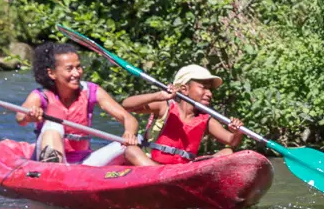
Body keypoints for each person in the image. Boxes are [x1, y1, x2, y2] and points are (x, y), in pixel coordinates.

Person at [16, 41, 150, 166]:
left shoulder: (91, 91)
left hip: (84, 162)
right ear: (52, 73)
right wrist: (30, 115)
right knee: (53, 124)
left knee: (134, 141)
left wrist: (129, 133)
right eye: (69, 69)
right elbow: (20, 118)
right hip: (48, 163)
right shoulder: (41, 96)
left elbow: (129, 118)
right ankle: (55, 171)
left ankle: (160, 178)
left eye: (78, 67)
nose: (76, 73)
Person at [118, 65, 246, 165]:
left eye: (210, 89)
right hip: (152, 165)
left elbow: (231, 141)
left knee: (227, 152)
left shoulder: (205, 119)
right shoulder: (164, 106)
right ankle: (164, 178)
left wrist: (237, 132)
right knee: (132, 150)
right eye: (203, 87)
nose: (209, 93)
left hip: (182, 168)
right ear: (184, 89)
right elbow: (127, 105)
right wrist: (157, 95)